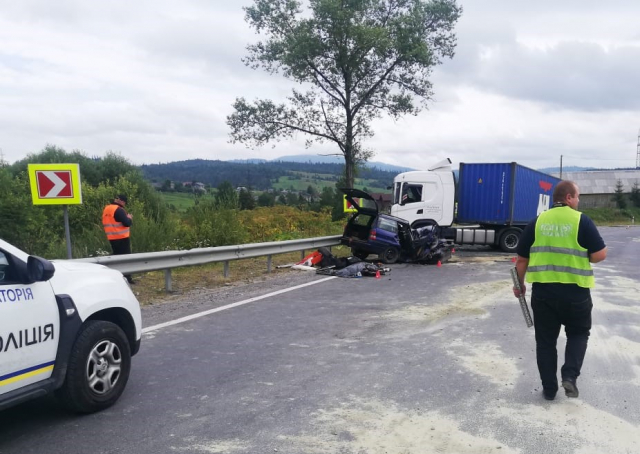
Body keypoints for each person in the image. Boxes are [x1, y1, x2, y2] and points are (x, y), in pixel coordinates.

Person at [513, 180, 607, 401]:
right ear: (568, 198)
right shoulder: (581, 220)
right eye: (577, 197)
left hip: (544, 294)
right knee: (578, 333)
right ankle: (570, 377)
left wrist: (519, 285)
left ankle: (549, 389)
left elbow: (521, 259)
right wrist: (586, 255)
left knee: (545, 342)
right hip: (576, 293)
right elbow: (600, 254)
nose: (578, 201)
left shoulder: (537, 222)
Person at [102, 194, 135, 284]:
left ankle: (116, 277)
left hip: (112, 237)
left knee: (116, 258)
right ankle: (127, 278)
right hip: (122, 237)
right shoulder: (118, 210)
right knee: (126, 258)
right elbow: (127, 223)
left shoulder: (107, 208)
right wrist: (129, 218)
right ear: (122, 201)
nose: (124, 204)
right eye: (124, 202)